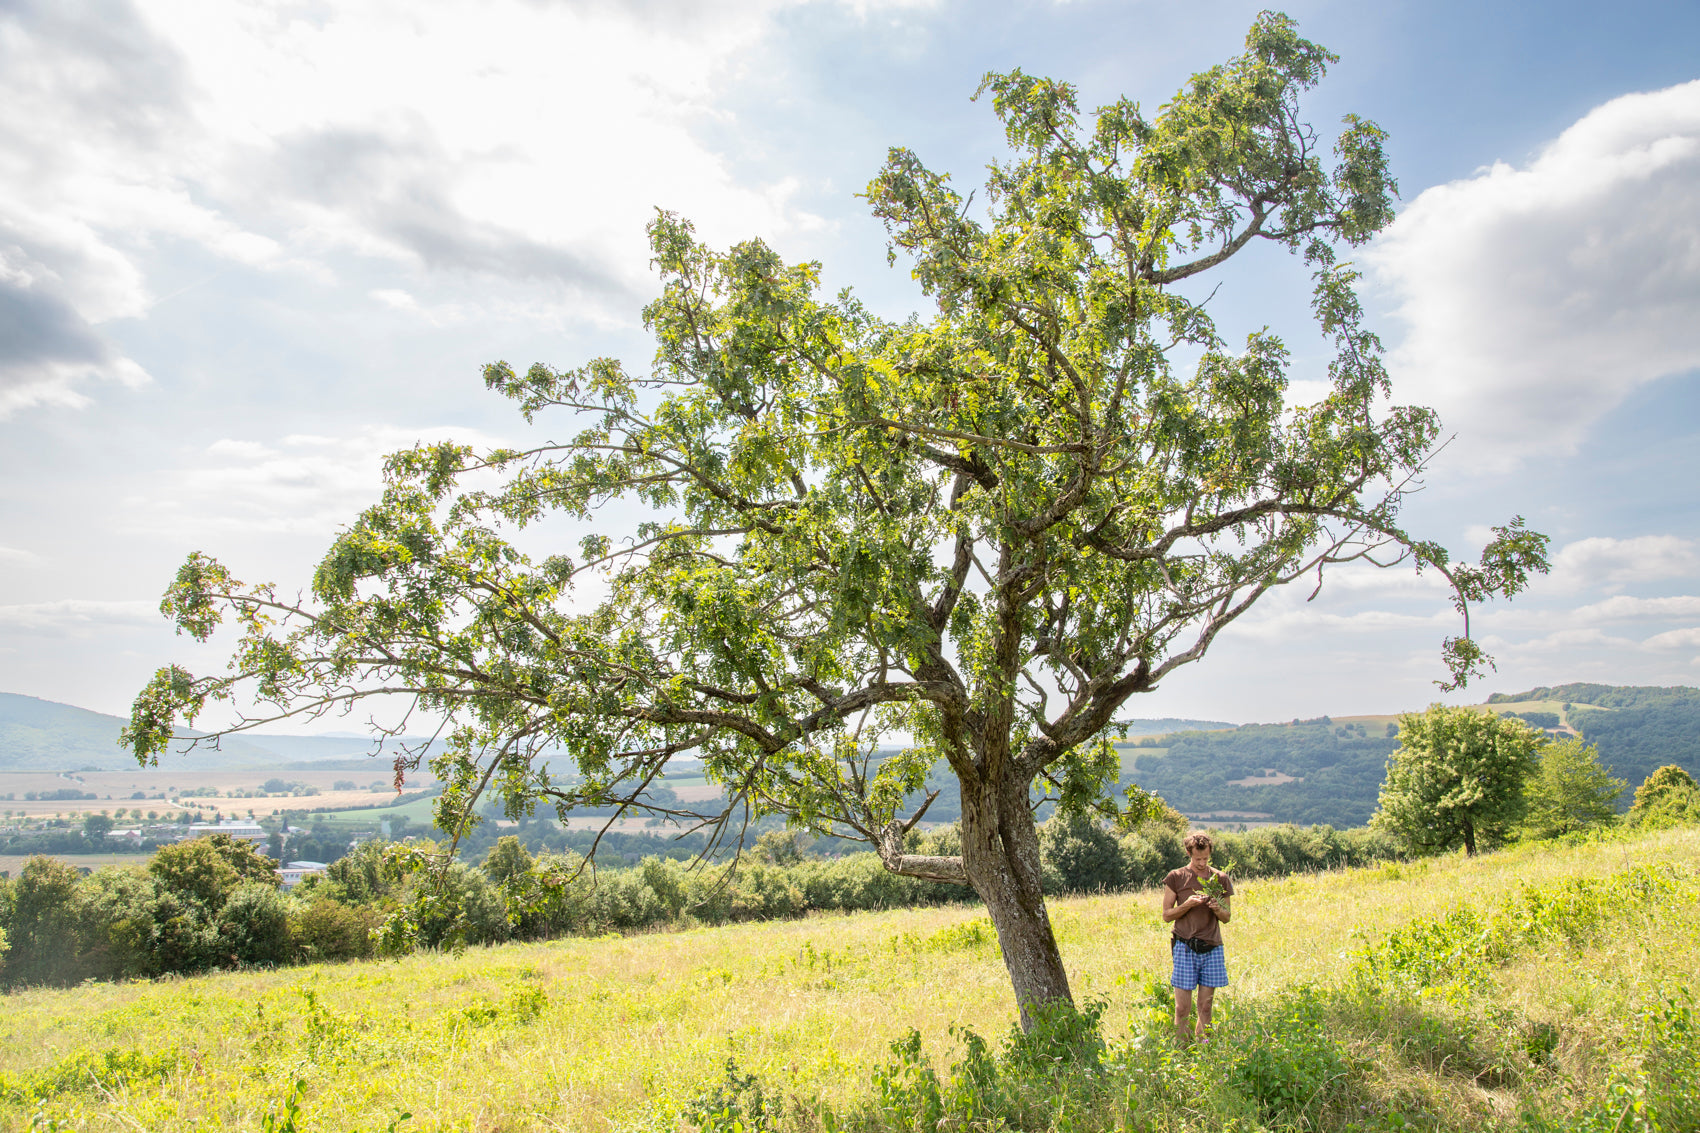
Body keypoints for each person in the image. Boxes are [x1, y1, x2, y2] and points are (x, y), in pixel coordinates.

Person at [1162, 830, 1234, 1042]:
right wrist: (1188, 904)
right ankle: (1181, 1051)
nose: (1202, 863)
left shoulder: (1220, 879)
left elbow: (1227, 916)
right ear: (1188, 853)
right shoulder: (1176, 877)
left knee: (1206, 1006)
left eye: (1205, 858)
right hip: (1184, 947)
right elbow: (1166, 915)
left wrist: (1215, 907)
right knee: (1182, 1008)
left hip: (1211, 947)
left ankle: (1205, 1053)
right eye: (1197, 859)